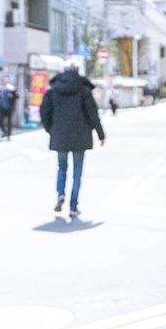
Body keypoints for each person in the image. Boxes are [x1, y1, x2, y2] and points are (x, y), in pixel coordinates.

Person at [39, 61, 105, 217]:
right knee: (77, 173)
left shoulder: (53, 90)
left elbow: (44, 112)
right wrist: (101, 134)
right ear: (77, 71)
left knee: (61, 168)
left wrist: (51, 130)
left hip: (60, 136)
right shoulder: (84, 90)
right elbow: (92, 114)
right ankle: (73, 206)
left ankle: (60, 194)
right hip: (80, 137)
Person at [0, 75, 19, 140]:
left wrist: (12, 96)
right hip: (2, 107)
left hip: (10, 107)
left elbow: (17, 96)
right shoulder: (0, 88)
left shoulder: (11, 88)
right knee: (0, 121)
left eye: (4, 81)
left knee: (9, 121)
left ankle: (9, 135)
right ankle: (4, 131)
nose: (3, 82)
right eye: (2, 81)